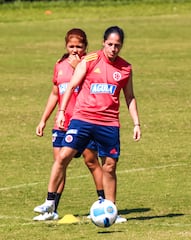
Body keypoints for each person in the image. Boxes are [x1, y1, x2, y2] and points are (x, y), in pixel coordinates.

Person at [34, 26, 141, 223]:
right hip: (82, 118)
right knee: (63, 156)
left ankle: (111, 207)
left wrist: (136, 123)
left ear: (122, 46)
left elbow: (130, 96)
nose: (113, 49)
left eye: (117, 45)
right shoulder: (90, 59)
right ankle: (50, 202)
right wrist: (61, 112)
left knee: (109, 166)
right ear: (103, 43)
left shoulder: (126, 68)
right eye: (110, 44)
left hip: (109, 123)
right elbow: (71, 86)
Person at [33, 28, 105, 221]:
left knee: (91, 162)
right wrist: (43, 119)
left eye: (79, 46)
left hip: (83, 121)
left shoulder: (89, 63)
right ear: (66, 45)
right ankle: (52, 209)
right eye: (71, 46)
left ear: (85, 47)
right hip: (62, 123)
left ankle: (104, 202)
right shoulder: (59, 64)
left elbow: (92, 87)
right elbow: (55, 93)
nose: (75, 50)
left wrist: (77, 67)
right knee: (60, 164)